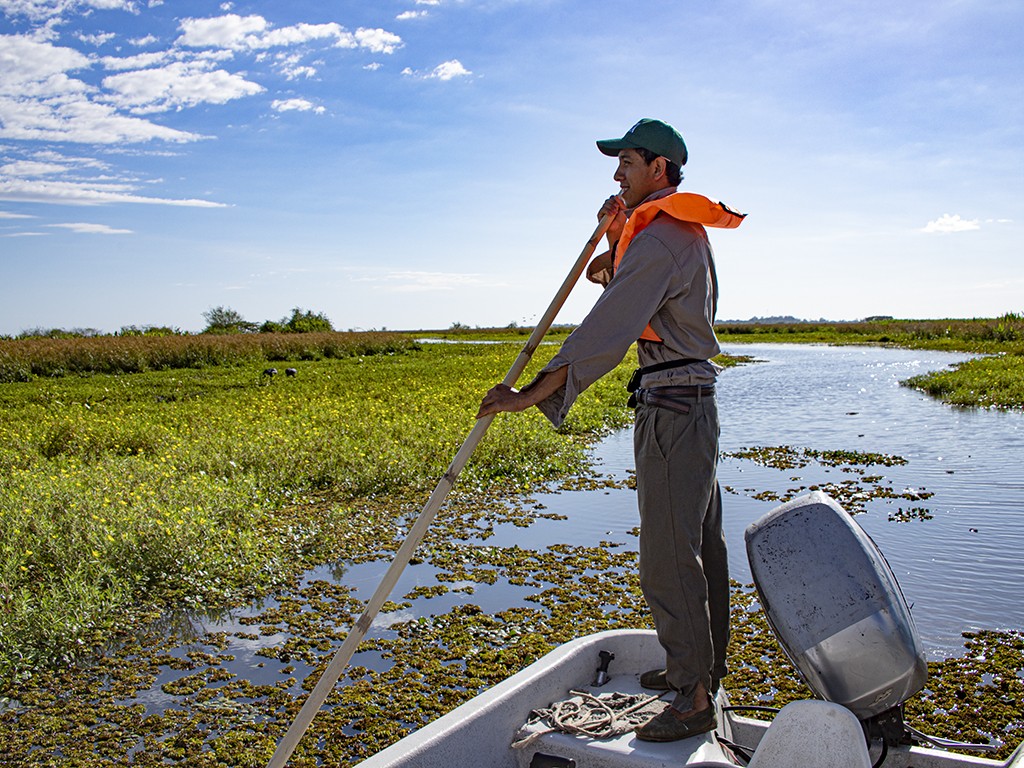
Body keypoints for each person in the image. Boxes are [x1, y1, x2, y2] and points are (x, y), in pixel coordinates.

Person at [476, 118, 744, 742]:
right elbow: (615, 280)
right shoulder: (670, 235)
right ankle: (698, 669)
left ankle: (695, 694)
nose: (616, 171)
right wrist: (615, 232)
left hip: (673, 410)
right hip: (688, 405)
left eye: (626, 161)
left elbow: (607, 327)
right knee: (699, 547)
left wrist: (527, 395)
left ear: (659, 169)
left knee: (667, 558)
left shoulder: (661, 241)